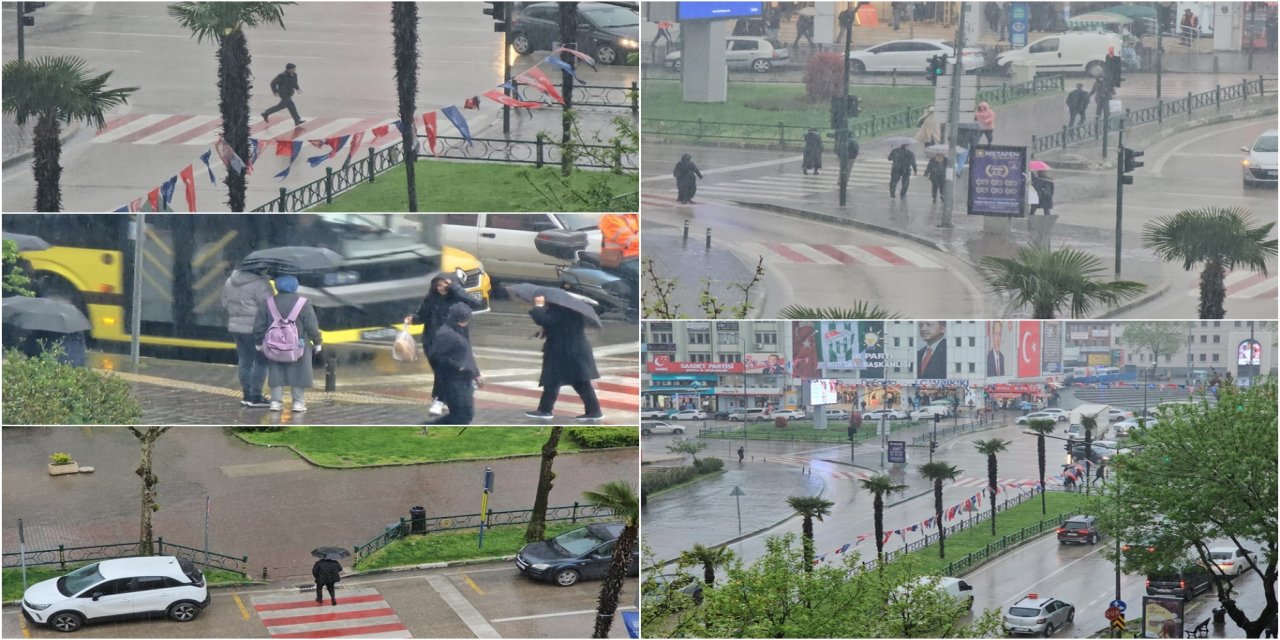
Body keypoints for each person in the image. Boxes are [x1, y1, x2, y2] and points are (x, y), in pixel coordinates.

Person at [407, 273, 485, 417]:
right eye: (438, 284)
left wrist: (455, 287)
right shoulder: (431, 299)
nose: (441, 287)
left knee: (445, 371)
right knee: (443, 371)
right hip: (432, 341)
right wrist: (413, 319)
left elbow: (475, 303)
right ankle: (445, 398)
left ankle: (439, 400)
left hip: (454, 341)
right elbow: (423, 316)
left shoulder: (458, 300)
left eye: (445, 284)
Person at [524, 296, 603, 421]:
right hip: (573, 351)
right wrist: (546, 330)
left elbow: (542, 319)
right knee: (578, 382)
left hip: (565, 352)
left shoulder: (561, 310)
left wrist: (538, 306)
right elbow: (556, 325)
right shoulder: (571, 310)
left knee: (554, 380)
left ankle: (545, 410)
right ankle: (593, 411)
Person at [252, 275, 322, 413]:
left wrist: (259, 342)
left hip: (274, 344)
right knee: (299, 372)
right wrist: (317, 342)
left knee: (276, 372)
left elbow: (259, 326)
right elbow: (311, 326)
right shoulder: (303, 303)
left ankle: (276, 403)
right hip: (299, 345)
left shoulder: (268, 302)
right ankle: (298, 403)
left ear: (276, 286)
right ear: (295, 286)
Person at [222, 265, 273, 408]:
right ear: (259, 269)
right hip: (255, 328)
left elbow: (225, 303)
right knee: (262, 361)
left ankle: (247, 395)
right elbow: (269, 306)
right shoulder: (260, 284)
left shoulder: (230, 281)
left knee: (245, 361)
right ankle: (256, 397)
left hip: (235, 327)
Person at [427, 303, 483, 425]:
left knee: (465, 415)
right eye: (463, 319)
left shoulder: (461, 330)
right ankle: (427, 427)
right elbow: (437, 358)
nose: (465, 322)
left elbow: (467, 353)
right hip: (453, 380)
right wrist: (459, 367)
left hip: (464, 379)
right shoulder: (446, 334)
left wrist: (475, 373)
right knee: (462, 416)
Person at [599, 213, 639, 284]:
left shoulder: (634, 215)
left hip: (633, 258)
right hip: (621, 260)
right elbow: (631, 241)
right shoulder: (611, 217)